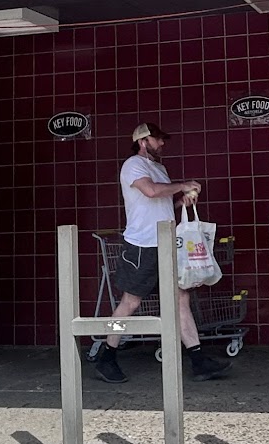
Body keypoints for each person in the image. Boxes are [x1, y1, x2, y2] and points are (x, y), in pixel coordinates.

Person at [89, 122, 231, 384]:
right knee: (130, 303)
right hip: (141, 246)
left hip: (165, 245)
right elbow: (151, 191)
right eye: (157, 139)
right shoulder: (133, 165)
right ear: (143, 141)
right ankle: (106, 356)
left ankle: (198, 359)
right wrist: (183, 185)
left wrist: (180, 201)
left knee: (180, 299)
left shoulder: (160, 169)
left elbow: (158, 203)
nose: (162, 143)